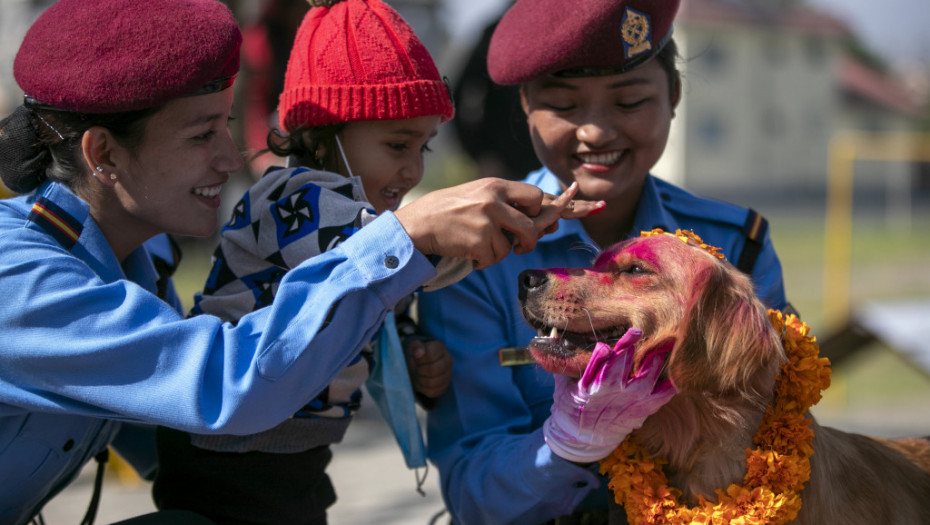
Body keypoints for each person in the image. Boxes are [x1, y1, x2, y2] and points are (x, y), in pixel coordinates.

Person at [0, 0, 595, 523]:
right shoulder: (22, 279)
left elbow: (154, 412)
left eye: (227, 126)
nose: (231, 159)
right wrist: (410, 235)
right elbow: (225, 387)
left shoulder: (136, 256)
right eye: (201, 134)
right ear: (102, 152)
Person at [416, 0, 793, 524]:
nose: (595, 132)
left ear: (674, 96)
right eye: (564, 106)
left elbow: (778, 435)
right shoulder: (475, 260)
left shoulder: (732, 248)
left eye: (630, 100)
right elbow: (474, 491)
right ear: (525, 105)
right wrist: (567, 444)